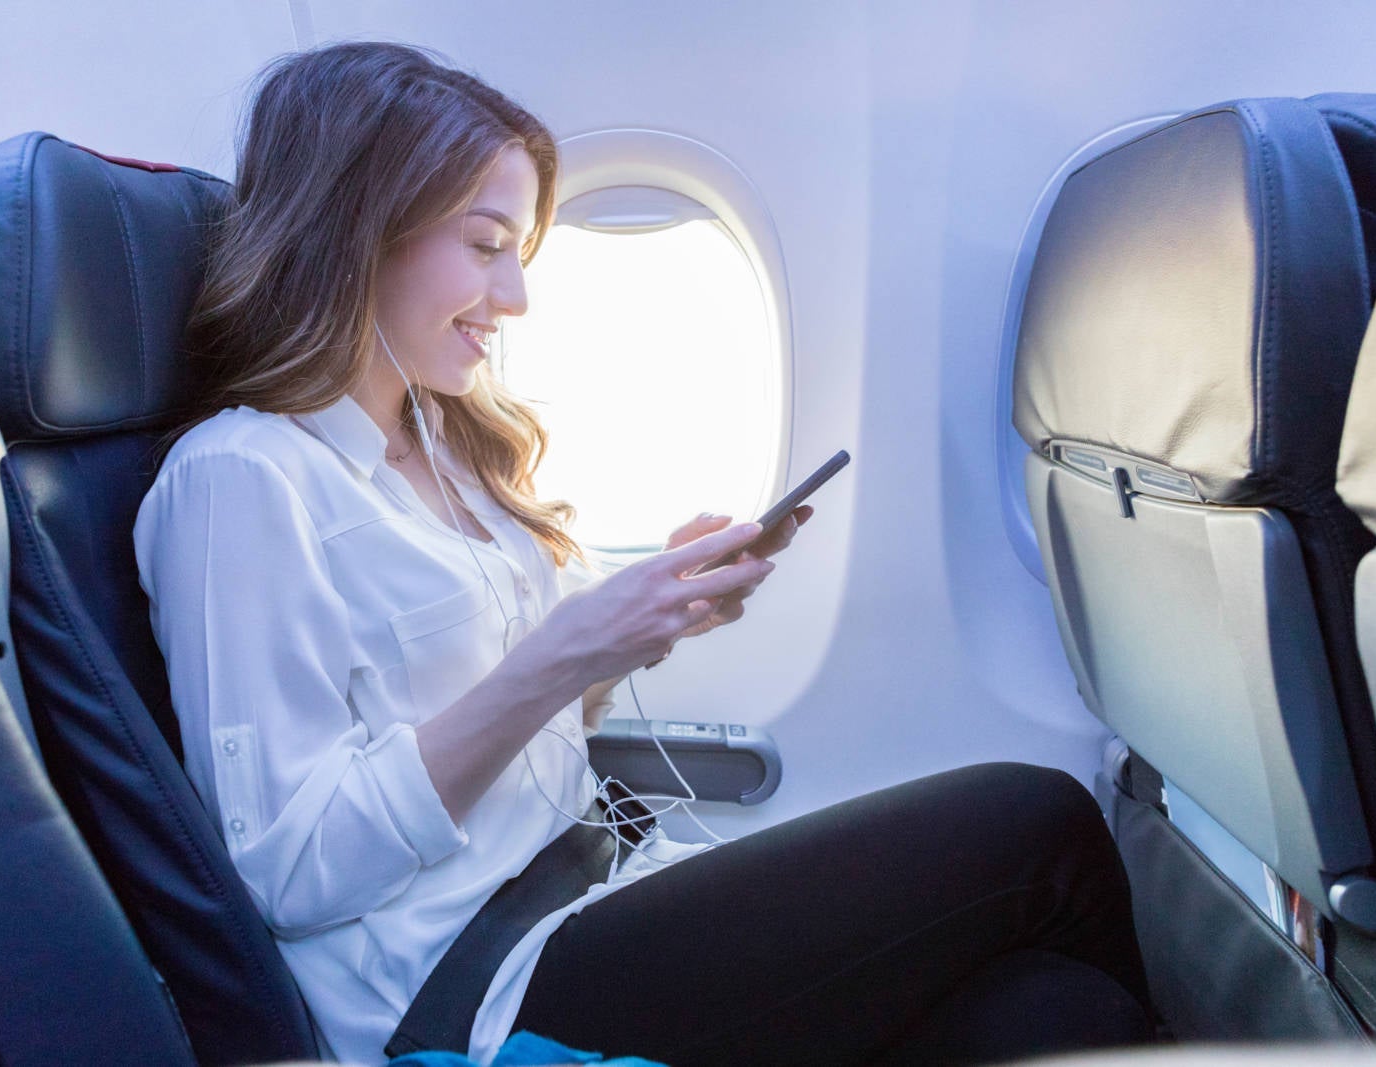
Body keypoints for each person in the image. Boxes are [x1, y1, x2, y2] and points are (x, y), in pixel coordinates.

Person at [134, 40, 1155, 1067]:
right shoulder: (242, 478)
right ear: (358, 230)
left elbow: (522, 728)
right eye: (486, 244)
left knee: (1057, 1012)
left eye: (520, 252)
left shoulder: (443, 444)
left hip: (592, 879)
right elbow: (286, 870)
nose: (515, 296)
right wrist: (566, 653)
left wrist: (647, 623)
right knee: (1039, 822)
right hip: (477, 984)